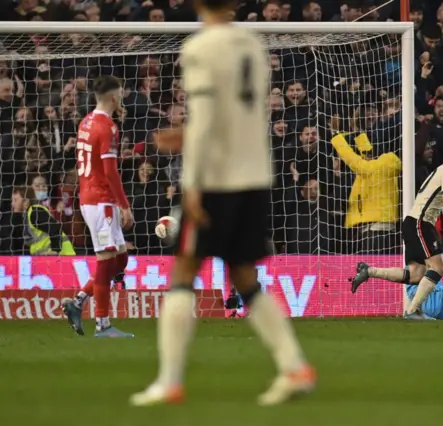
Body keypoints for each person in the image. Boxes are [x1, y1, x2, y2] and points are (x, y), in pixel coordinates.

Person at [130, 0, 314, 408]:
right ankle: (294, 367)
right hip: (255, 175)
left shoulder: (199, 48)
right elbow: (234, 113)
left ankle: (169, 380)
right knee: (244, 277)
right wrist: (187, 134)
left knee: (184, 267)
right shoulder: (251, 44)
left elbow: (210, 114)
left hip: (217, 178)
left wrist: (191, 182)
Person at [350, 134, 443, 319]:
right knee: (438, 269)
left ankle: (370, 271)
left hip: (415, 223)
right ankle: (412, 311)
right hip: (420, 224)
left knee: (415, 275)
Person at [61, 76, 135, 338]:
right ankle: (103, 325)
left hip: (92, 198)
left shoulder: (86, 121)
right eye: (122, 94)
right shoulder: (107, 127)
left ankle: (78, 301)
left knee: (120, 258)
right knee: (106, 260)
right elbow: (111, 172)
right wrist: (125, 206)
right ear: (114, 97)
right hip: (100, 201)